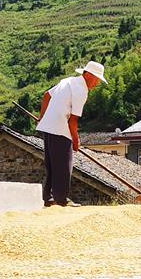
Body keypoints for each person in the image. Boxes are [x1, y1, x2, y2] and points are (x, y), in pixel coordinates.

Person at [36, 60, 106, 207]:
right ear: (88, 75)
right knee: (64, 166)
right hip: (60, 129)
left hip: (48, 127)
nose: (97, 84)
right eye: (97, 79)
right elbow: (72, 121)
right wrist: (75, 140)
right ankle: (61, 200)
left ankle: (48, 199)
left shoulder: (67, 81)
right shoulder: (81, 90)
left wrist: (42, 118)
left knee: (52, 165)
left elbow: (46, 96)